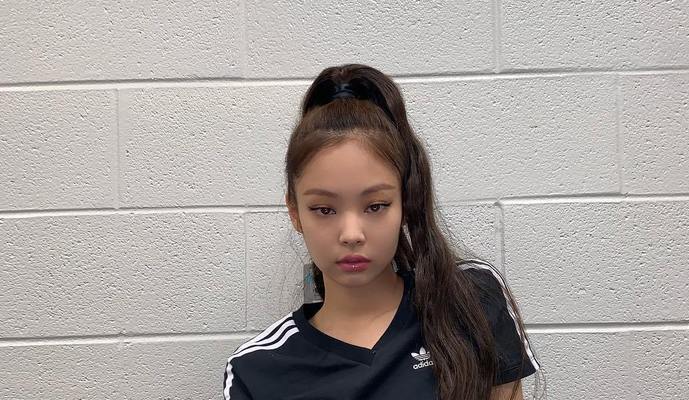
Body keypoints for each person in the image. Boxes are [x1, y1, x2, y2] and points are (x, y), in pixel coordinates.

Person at [223, 64, 544, 400]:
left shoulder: (470, 299)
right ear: (295, 212)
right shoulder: (256, 371)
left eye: (375, 206)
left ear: (405, 201)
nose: (351, 234)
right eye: (324, 209)